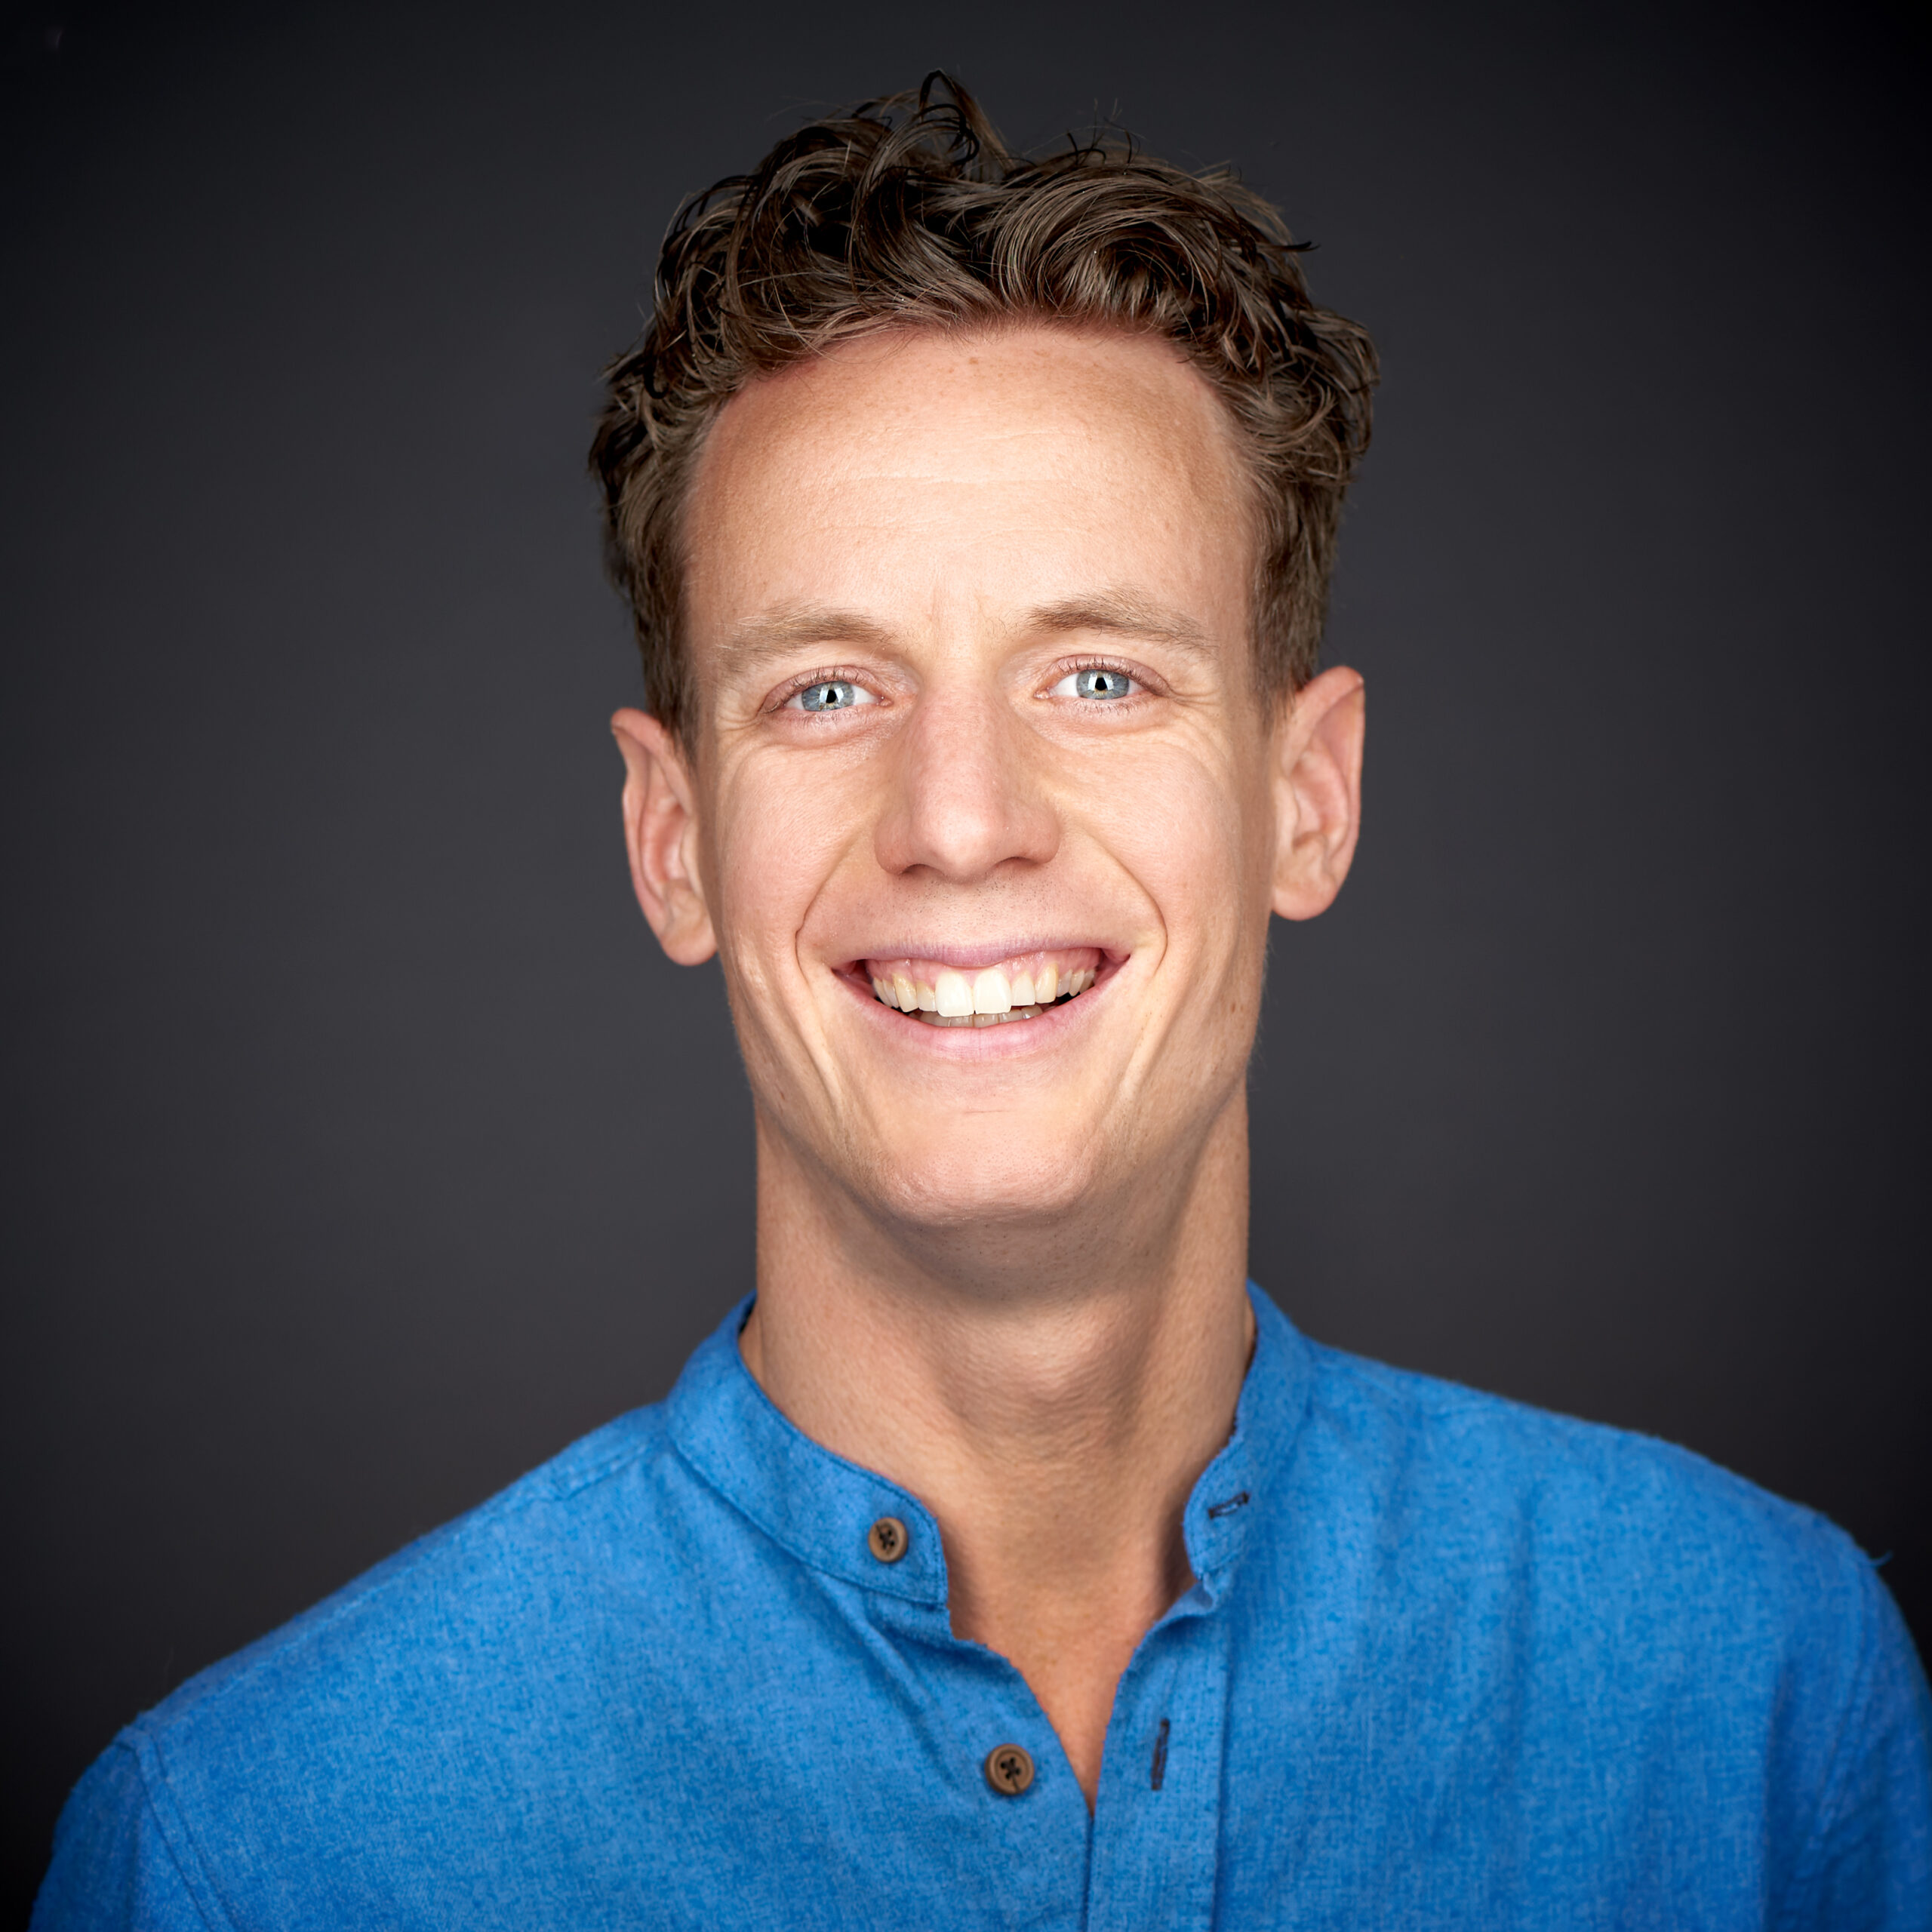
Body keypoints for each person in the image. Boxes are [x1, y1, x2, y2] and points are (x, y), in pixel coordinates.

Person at [33, 75, 1930, 1930]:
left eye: (1098, 678)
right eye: (825, 691)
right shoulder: (255, 1855)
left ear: (1306, 795)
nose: (957, 822)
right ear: (672, 840)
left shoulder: (1755, 1697)